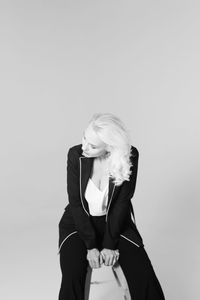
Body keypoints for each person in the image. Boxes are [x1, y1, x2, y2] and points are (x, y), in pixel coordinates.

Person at [58, 112, 165, 299]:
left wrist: (109, 245)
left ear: (110, 147)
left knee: (143, 275)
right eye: (84, 137)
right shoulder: (74, 155)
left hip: (116, 222)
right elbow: (75, 203)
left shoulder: (129, 156)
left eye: (92, 145)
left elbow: (122, 203)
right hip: (78, 223)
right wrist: (91, 246)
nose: (84, 146)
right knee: (72, 275)